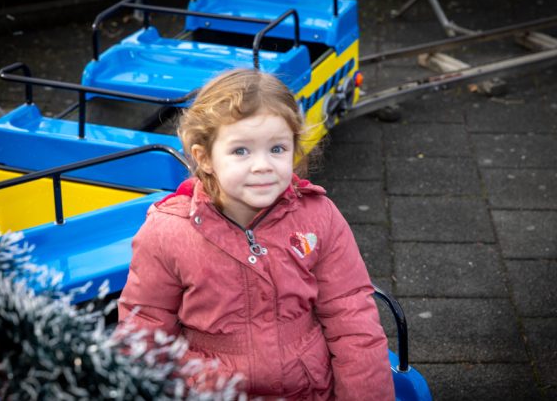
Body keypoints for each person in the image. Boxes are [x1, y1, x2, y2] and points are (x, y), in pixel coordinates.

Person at [117, 68, 395, 400]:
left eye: (277, 149)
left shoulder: (319, 218)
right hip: (210, 393)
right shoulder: (168, 232)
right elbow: (145, 328)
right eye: (241, 151)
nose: (263, 165)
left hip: (305, 391)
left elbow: (352, 320)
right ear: (205, 158)